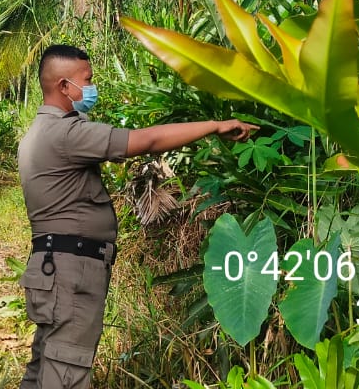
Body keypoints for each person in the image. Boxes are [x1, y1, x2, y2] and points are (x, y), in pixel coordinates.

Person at [17, 44, 257, 388]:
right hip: (71, 270)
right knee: (65, 372)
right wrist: (215, 126)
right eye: (87, 80)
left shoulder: (36, 135)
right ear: (64, 86)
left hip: (52, 267)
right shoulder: (66, 134)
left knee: (45, 367)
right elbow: (148, 140)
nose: (91, 87)